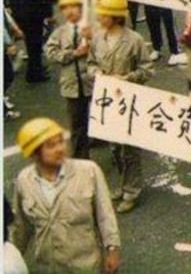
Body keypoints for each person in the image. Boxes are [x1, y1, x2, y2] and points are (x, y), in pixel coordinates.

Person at [11, 117, 121, 273]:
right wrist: (11, 255)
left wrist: (112, 249)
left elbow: (105, 215)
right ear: (34, 154)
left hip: (86, 266)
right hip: (48, 267)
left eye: (60, 141)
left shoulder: (89, 171)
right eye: (50, 146)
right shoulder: (24, 180)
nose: (59, 148)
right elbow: (21, 226)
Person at [87, 0, 154, 213]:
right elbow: (90, 63)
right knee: (114, 146)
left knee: (130, 148)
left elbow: (147, 69)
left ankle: (132, 191)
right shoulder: (98, 38)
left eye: (104, 14)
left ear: (115, 16)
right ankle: (123, 184)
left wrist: (126, 78)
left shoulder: (134, 40)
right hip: (106, 100)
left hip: (128, 99)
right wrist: (97, 74)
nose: (99, 17)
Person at [44, 0, 91, 159]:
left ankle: (106, 145)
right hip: (71, 85)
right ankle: (81, 159)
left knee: (97, 118)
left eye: (75, 6)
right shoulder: (60, 32)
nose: (70, 11)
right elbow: (50, 52)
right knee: (77, 124)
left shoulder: (91, 29)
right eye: (65, 7)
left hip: (92, 83)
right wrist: (73, 54)